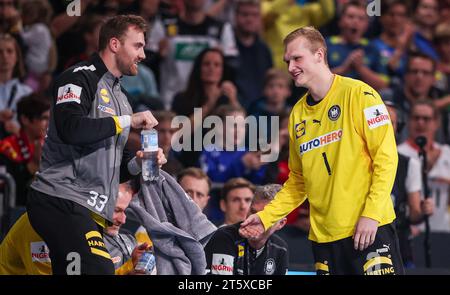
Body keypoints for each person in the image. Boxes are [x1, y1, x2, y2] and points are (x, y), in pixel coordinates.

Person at [239, 26, 405, 275]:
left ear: (319, 54)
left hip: (369, 228)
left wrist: (370, 215)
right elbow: (298, 182)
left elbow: (387, 159)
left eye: (297, 58)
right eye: (287, 61)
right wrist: (265, 217)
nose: (291, 67)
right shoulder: (297, 114)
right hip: (324, 239)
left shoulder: (361, 94)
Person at [26, 15, 167, 275]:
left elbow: (115, 166)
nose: (144, 55)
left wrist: (140, 161)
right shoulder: (79, 78)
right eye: (138, 46)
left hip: (89, 208)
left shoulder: (122, 97)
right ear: (114, 44)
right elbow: (71, 128)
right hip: (60, 198)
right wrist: (128, 120)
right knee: (99, 268)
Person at [0, 182, 149, 275]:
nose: (123, 219)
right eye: (117, 210)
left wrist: (128, 269)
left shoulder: (84, 222)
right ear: (96, 204)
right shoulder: (41, 223)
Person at [385, 100, 434, 268]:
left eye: (389, 122)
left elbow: (414, 214)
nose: (383, 126)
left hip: (398, 243)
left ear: (397, 127)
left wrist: (423, 211)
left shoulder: (409, 164)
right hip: (363, 240)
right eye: (379, 120)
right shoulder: (356, 160)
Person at [205, 184, 288, 275]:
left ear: (281, 223)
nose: (255, 220)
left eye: (265, 216)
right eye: (253, 212)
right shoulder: (225, 237)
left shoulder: (280, 248)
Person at [397, 100, 450, 233]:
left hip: (444, 230)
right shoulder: (398, 154)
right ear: (408, 121)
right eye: (416, 118)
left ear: (437, 123)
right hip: (411, 231)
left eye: (426, 119)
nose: (420, 123)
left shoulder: (447, 153)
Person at [0, 93, 50, 206]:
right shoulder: (6, 148)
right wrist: (33, 164)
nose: (48, 124)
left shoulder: (51, 147)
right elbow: (8, 191)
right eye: (44, 118)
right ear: (25, 119)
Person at [0, 33, 33, 139]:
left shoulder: (27, 93)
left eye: (9, 51)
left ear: (17, 57)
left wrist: (19, 131)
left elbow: (35, 129)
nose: (4, 56)